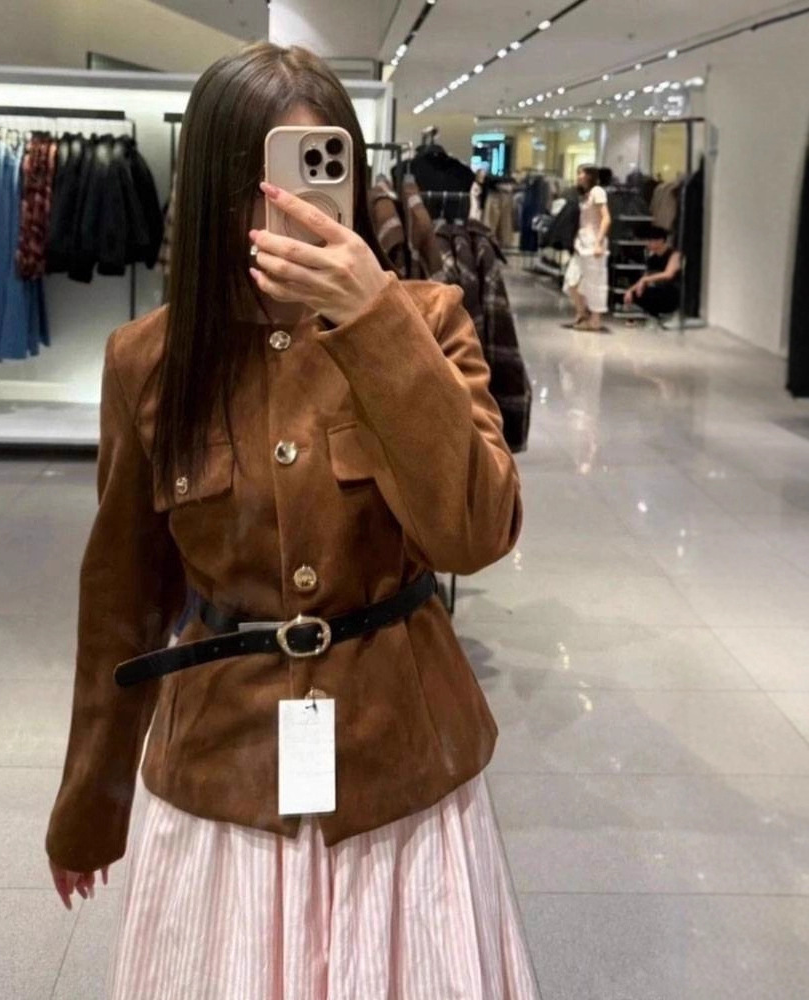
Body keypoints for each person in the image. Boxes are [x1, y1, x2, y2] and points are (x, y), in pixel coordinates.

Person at [45, 42, 538, 1000]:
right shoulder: (149, 362)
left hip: (402, 782)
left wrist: (375, 325)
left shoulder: (428, 320)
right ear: (217, 189)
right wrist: (89, 806)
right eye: (266, 179)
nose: (293, 205)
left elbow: (478, 532)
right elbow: (121, 600)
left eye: (320, 170)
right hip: (222, 782)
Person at [562, 164, 611, 332]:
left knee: (595, 281)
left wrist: (598, 242)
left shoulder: (598, 192)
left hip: (593, 243)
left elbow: (606, 218)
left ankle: (595, 319)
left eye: (581, 173)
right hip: (581, 243)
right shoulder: (584, 195)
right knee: (571, 280)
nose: (578, 176)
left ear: (589, 175)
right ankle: (582, 313)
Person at [624, 224, 682, 320]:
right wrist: (630, 290)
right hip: (658, 289)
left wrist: (645, 279)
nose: (648, 244)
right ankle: (652, 315)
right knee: (637, 293)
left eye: (650, 241)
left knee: (660, 292)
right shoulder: (652, 259)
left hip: (672, 292)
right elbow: (645, 277)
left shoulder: (674, 254)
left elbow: (668, 274)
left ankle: (667, 314)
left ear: (661, 240)